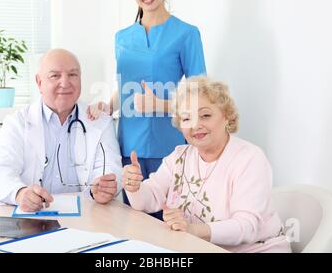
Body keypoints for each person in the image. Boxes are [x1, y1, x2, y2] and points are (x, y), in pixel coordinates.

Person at [87, 0, 206, 217]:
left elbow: (201, 95)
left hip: (170, 144)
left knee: (170, 224)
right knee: (134, 223)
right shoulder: (122, 38)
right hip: (130, 145)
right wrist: (108, 105)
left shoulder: (187, 34)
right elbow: (125, 85)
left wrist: (160, 105)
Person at [122, 76, 292, 252]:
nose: (196, 125)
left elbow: (247, 227)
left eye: (205, 115)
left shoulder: (250, 159)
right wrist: (134, 187)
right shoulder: (180, 156)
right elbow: (149, 198)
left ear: (227, 117)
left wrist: (192, 229)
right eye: (187, 118)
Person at [0, 49, 122, 212]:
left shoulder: (100, 122)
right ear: (39, 82)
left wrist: (103, 188)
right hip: (31, 216)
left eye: (72, 75)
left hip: (86, 214)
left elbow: (111, 170)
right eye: (55, 76)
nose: (65, 83)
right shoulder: (17, 123)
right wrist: (20, 193)